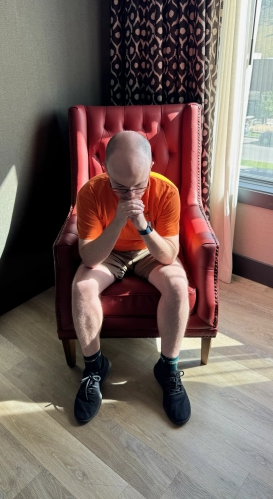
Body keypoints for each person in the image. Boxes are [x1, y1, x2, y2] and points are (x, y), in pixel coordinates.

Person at [73, 130, 191, 425]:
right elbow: (89, 257)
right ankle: (94, 367)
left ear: (151, 167)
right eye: (119, 187)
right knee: (82, 288)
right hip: (108, 252)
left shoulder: (166, 192)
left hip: (150, 251)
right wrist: (118, 220)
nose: (130, 196)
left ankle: (168, 367)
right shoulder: (90, 192)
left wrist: (143, 225)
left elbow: (168, 256)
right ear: (106, 170)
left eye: (138, 187)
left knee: (177, 284)